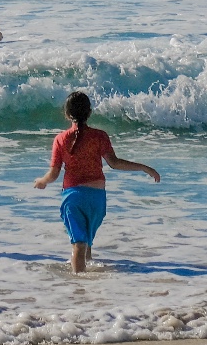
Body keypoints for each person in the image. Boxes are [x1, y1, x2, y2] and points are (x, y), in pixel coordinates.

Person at [32, 91, 158, 273]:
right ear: (89, 113)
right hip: (97, 199)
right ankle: (90, 282)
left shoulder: (60, 139)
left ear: (67, 114)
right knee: (86, 239)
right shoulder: (99, 136)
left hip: (73, 198)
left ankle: (79, 289)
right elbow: (114, 163)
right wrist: (144, 168)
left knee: (79, 244)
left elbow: (53, 174)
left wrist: (42, 181)